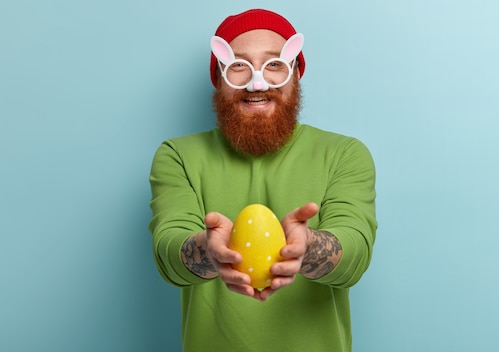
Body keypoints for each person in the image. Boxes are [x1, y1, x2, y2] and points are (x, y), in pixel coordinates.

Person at [148, 8, 377, 352]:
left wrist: (308, 246)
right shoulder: (178, 155)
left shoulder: (344, 153)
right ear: (219, 78)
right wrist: (209, 252)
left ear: (295, 74)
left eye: (274, 64)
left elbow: (354, 256)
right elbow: (169, 253)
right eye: (238, 65)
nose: (258, 82)